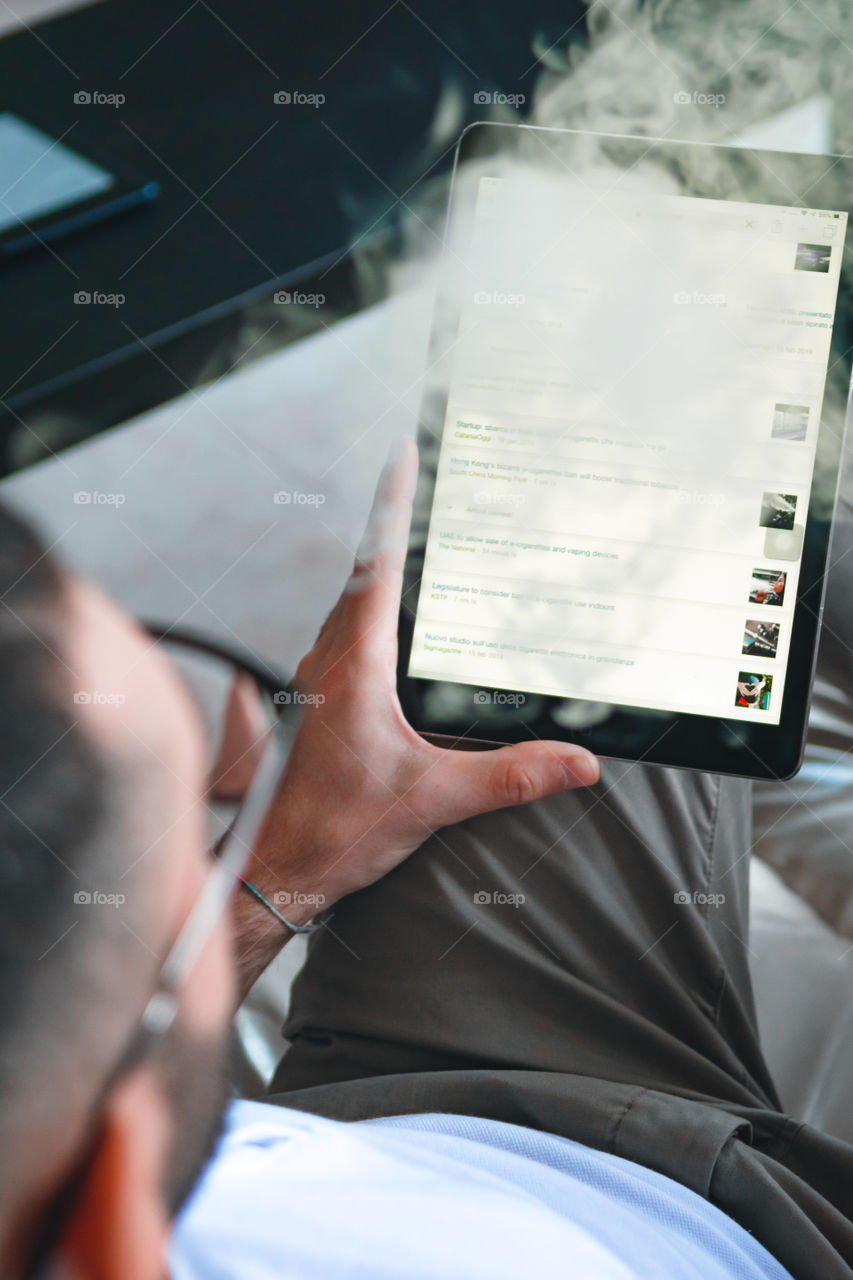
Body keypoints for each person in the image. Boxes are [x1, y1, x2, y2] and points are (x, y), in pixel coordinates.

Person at [0, 439, 850, 1279]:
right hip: (708, 1203)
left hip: (392, 1104)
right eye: (187, 851)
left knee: (578, 491)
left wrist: (276, 871)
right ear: (117, 1207)